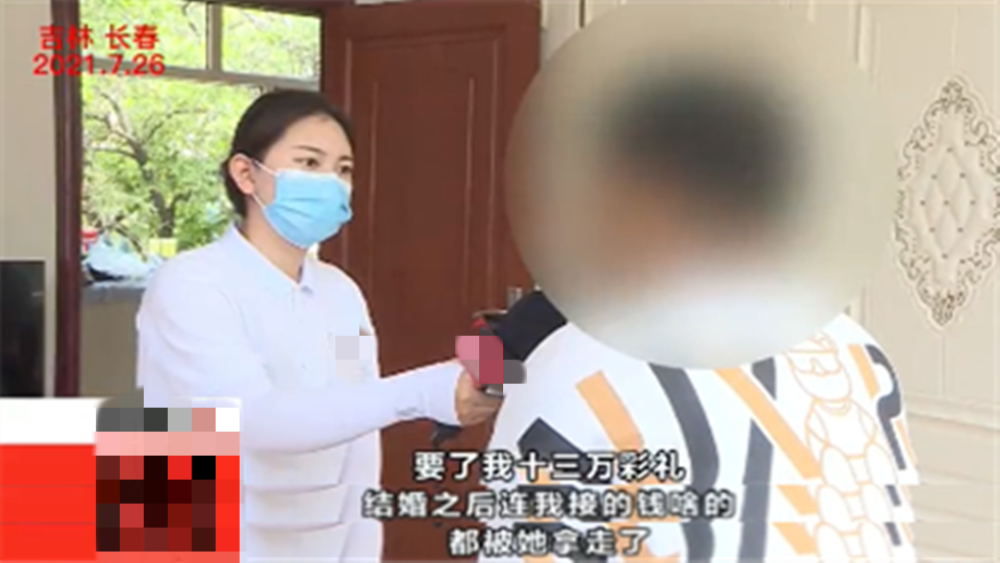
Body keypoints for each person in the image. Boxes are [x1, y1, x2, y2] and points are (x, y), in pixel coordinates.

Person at [135, 90, 501, 561]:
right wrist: (426, 390)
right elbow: (256, 421)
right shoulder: (189, 284)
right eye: (309, 163)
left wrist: (361, 548)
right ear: (246, 174)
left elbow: (357, 412)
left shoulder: (340, 293)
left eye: (343, 169)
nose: (331, 182)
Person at [481, 290, 920, 562]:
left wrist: (496, 381)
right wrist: (493, 379)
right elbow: (479, 358)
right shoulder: (852, 342)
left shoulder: (574, 346)